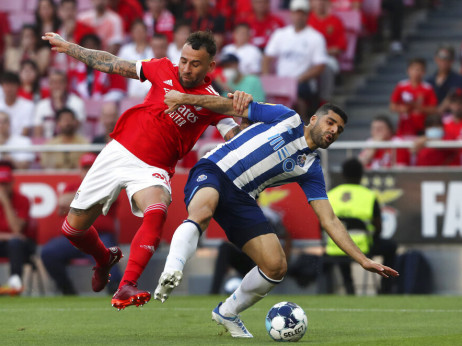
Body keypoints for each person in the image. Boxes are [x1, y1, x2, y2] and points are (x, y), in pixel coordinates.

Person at [154, 90, 399, 338]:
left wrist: (363, 260)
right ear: (314, 119)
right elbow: (230, 107)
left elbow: (329, 220)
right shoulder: (287, 117)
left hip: (243, 198)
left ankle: (227, 312)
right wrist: (184, 99)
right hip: (216, 168)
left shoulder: (311, 168)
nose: (334, 130)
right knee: (203, 211)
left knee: (276, 266)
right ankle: (173, 268)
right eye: (331, 122)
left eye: (340, 129)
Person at [41, 30, 245, 310]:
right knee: (72, 231)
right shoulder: (162, 68)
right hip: (119, 150)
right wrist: (70, 47)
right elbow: (111, 62)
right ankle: (104, 258)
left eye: (195, 64)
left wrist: (247, 111)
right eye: (184, 60)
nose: (186, 68)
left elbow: (236, 136)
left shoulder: (212, 102)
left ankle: (126, 285)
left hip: (153, 167)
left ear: (210, 66)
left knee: (157, 209)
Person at [41, 153, 122, 295]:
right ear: (80, 171)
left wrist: (76, 198)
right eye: (85, 168)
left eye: (91, 168)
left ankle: (115, 290)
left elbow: (67, 201)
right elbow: (61, 203)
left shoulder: (109, 185)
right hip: (74, 238)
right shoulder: (71, 186)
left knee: (108, 258)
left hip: (100, 236)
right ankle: (67, 289)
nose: (88, 172)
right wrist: (88, 196)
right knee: (48, 252)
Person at [324, 158, 397, 294]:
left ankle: (349, 288)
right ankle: (385, 290)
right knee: (391, 247)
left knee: (340, 242)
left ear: (343, 175)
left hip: (335, 246)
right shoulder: (369, 196)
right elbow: (378, 227)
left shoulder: (330, 196)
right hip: (364, 247)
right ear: (361, 175)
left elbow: (322, 224)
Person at [263, 0, 328, 116]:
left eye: (302, 13)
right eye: (296, 13)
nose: (299, 17)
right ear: (291, 14)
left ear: (307, 15)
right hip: (281, 79)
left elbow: (320, 66)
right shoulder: (280, 34)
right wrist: (267, 76)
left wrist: (301, 78)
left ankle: (300, 124)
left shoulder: (316, 37)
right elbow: (267, 57)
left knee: (300, 94)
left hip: (303, 80)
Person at [0, 161, 34, 295]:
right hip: (5, 241)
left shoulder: (22, 200)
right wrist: (7, 236)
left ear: (12, 183)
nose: (2, 188)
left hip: (21, 245)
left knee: (15, 243)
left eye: (5, 184)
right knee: (13, 240)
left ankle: (15, 283)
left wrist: (5, 202)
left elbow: (16, 230)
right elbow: (13, 234)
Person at [308, 0, 347, 101]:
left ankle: (324, 101)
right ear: (311, 3)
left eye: (322, 1)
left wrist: (321, 51)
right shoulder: (306, 20)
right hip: (306, 57)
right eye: (316, 1)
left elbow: (340, 47)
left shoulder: (335, 21)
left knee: (327, 68)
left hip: (327, 57)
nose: (320, 3)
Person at [390, 58, 438, 137]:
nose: (416, 72)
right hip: (404, 127)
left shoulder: (428, 88)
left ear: (424, 72)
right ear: (408, 70)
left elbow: (434, 109)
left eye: (419, 70)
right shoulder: (401, 86)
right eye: (414, 69)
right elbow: (392, 106)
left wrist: (418, 107)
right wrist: (401, 109)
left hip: (422, 127)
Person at [33, 69, 86, 139]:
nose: (56, 86)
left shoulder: (77, 102)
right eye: (53, 82)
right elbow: (37, 134)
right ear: (49, 85)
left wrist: (59, 106)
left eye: (60, 82)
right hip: (48, 145)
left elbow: (75, 127)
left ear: (66, 84)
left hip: (71, 143)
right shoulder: (41, 105)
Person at [118, 19, 152, 98]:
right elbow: (120, 71)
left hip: (150, 87)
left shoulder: (152, 49)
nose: (139, 34)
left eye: (141, 31)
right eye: (137, 31)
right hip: (131, 88)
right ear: (132, 33)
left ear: (147, 32)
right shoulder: (125, 50)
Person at [426, 46, 462, 111]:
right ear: (436, 59)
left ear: (452, 60)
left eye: (447, 59)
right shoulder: (428, 81)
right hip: (432, 118)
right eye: (441, 59)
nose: (444, 62)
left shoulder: (459, 80)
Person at [0, 72, 35, 138]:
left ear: (18, 86)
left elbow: (25, 132)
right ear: (2, 86)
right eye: (6, 85)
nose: (9, 89)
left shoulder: (28, 106)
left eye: (12, 85)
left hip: (19, 144)